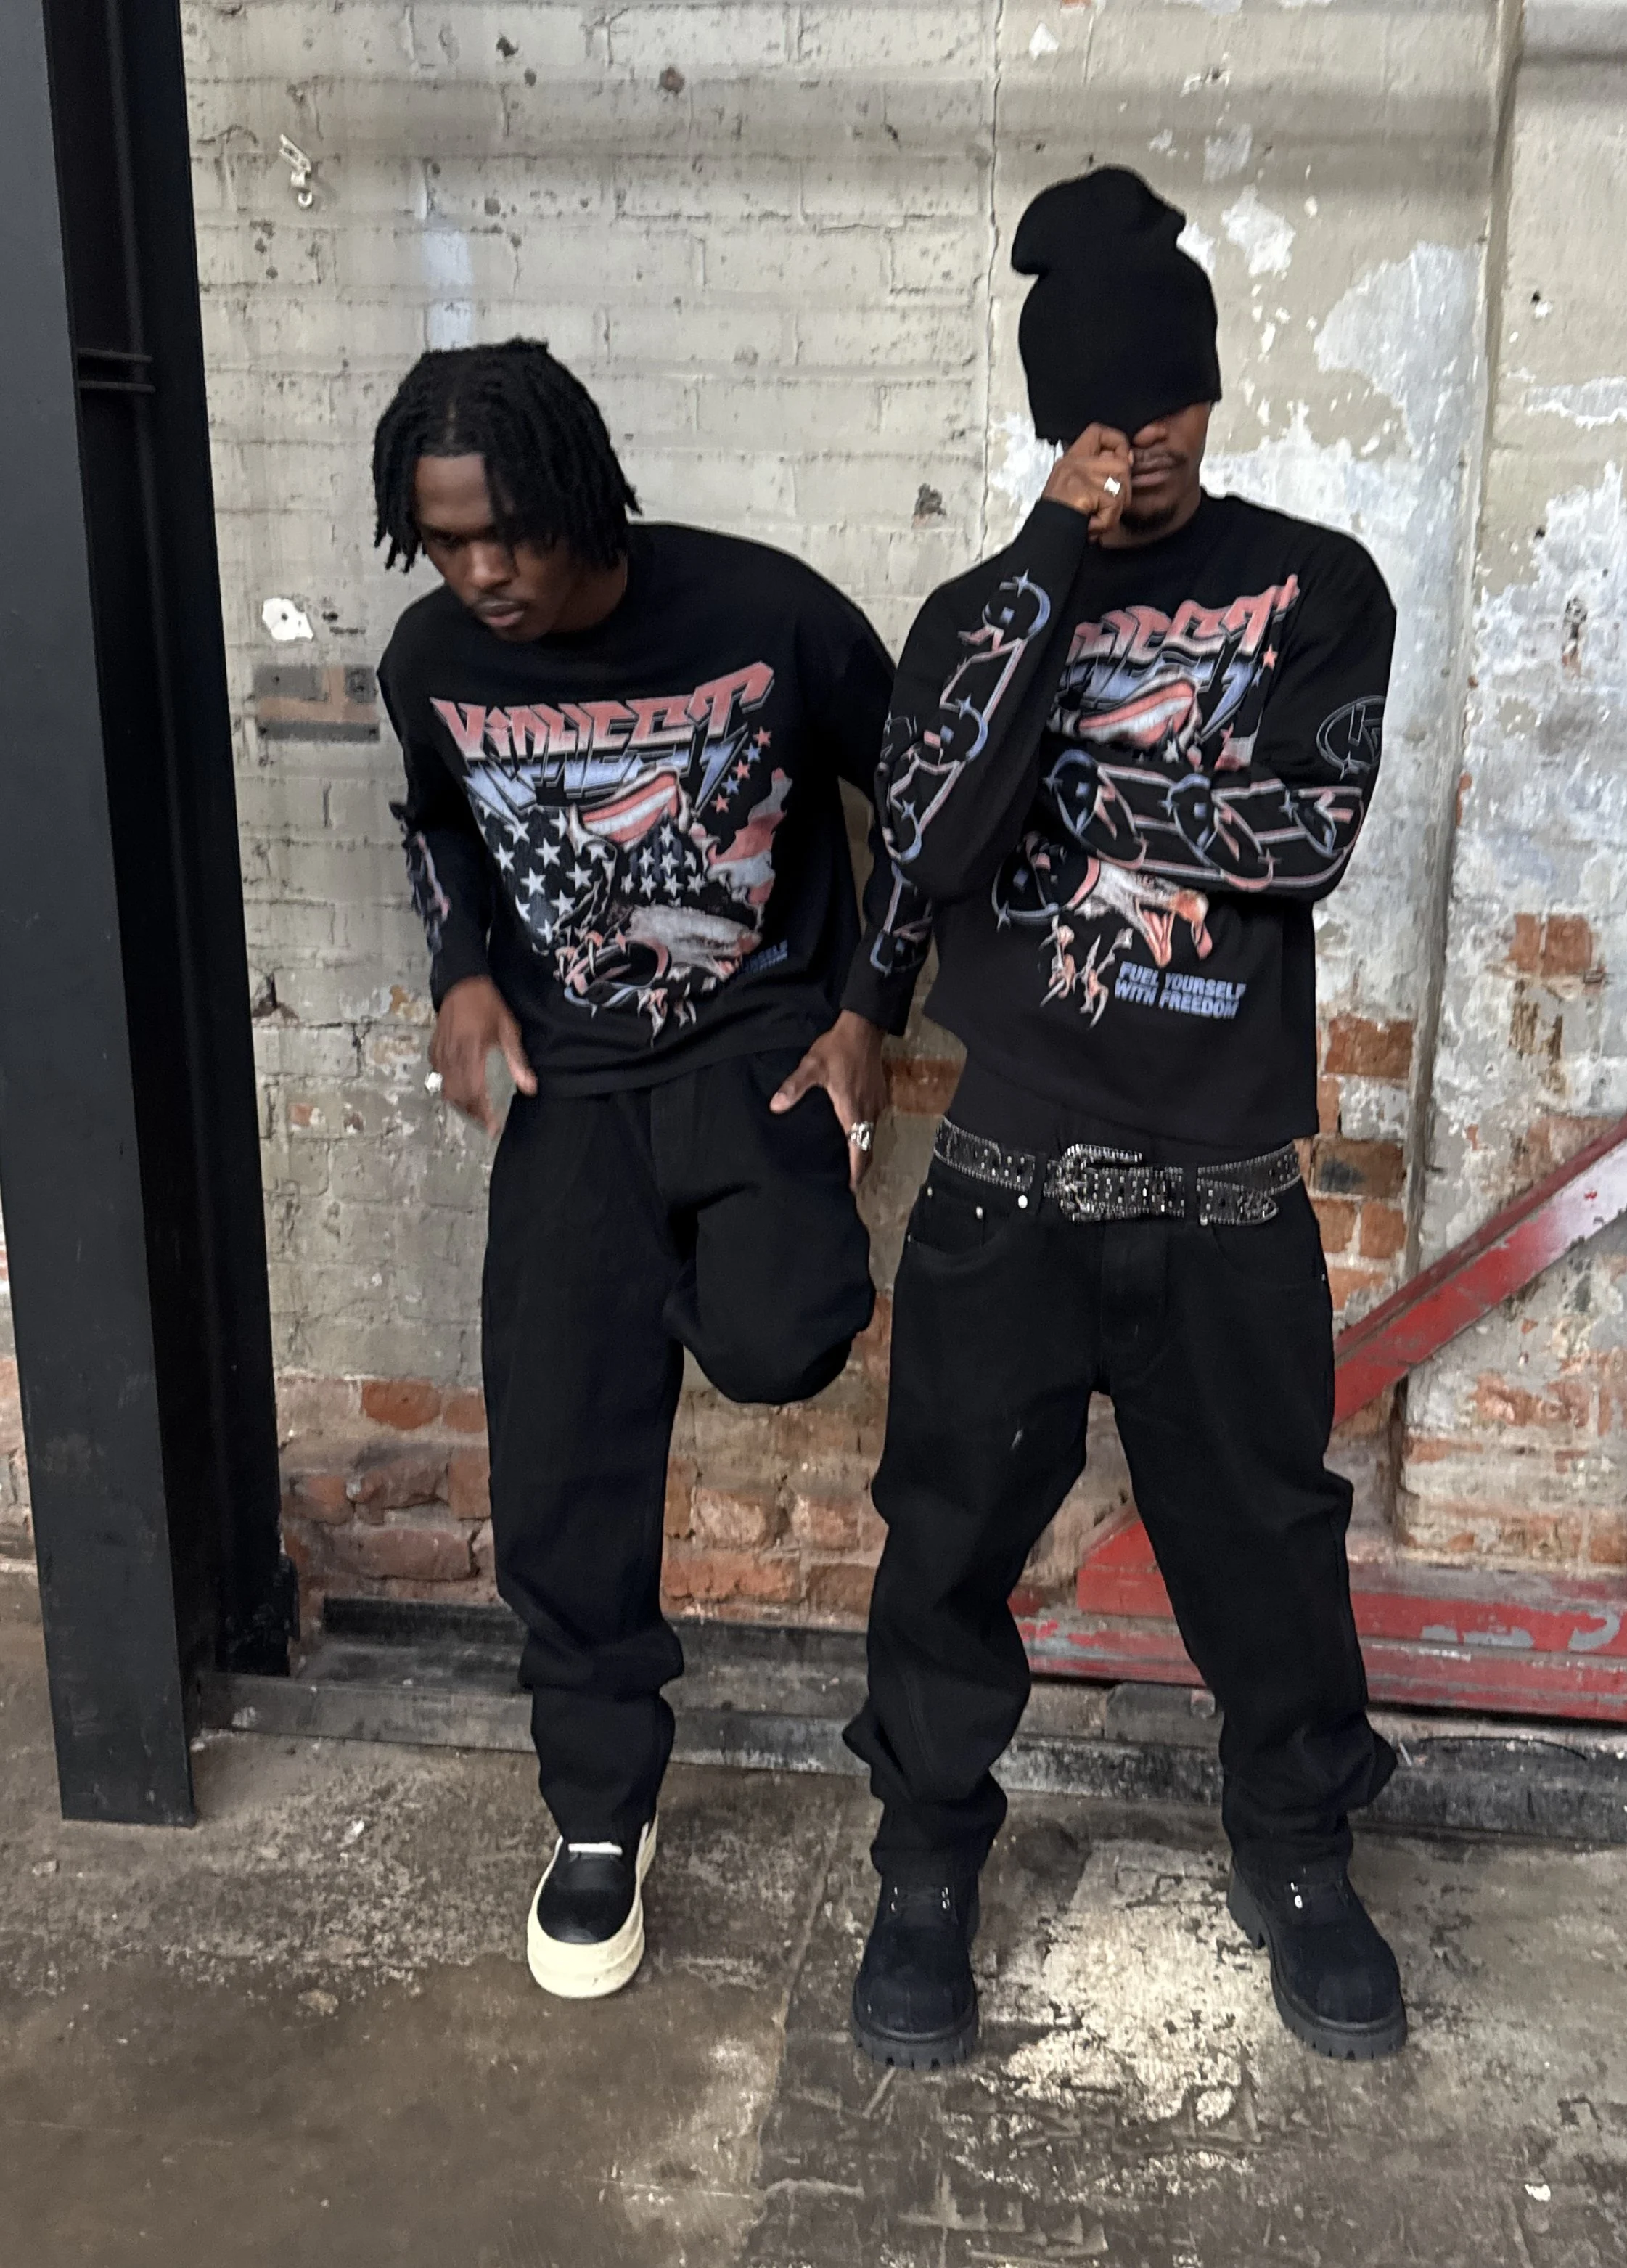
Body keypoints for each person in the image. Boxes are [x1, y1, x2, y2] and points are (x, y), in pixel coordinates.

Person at [844, 168, 1404, 2068]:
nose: (1136, 445)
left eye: (1161, 407)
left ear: (1207, 396)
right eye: (1097, 414)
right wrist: (1047, 557)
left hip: (1227, 1186)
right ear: (1048, 418)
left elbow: (1299, 838)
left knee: (1269, 1548)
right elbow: (921, 841)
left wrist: (1068, 803)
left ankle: (1300, 1854)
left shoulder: (1315, 586)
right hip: (1004, 1191)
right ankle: (924, 1868)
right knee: (940, 1549)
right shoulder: (981, 606)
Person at [373, 339, 928, 2000]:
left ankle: (696, 1278)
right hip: (571, 1085)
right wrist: (458, 965)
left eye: (508, 537)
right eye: (446, 542)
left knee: (779, 1337)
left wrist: (867, 1014)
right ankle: (601, 1812)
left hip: (752, 1056)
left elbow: (915, 804)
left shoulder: (764, 615)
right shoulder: (431, 660)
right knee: (559, 1457)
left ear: (578, 498)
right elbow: (436, 824)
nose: (482, 575)